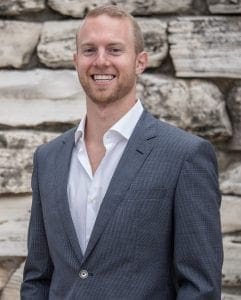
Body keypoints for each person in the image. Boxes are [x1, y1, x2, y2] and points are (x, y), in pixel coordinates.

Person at [21, 5, 223, 299]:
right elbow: (38, 277)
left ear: (140, 62)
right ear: (76, 61)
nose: (101, 61)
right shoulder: (48, 158)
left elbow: (200, 287)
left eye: (115, 50)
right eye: (89, 50)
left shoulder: (185, 156)